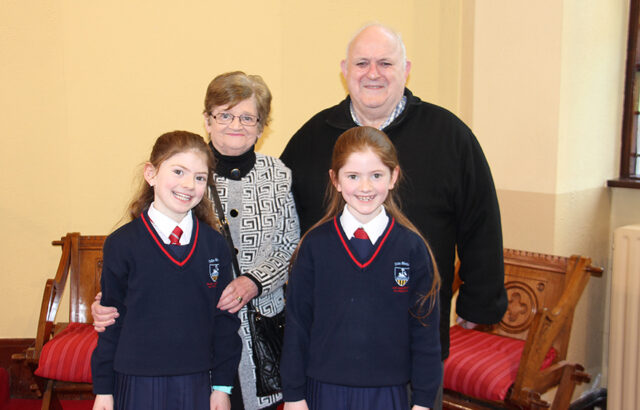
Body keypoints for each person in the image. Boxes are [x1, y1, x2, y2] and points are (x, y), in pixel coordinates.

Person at [279, 24, 508, 394]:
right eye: (362, 63)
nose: (373, 73)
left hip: (413, 343)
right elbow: (284, 224)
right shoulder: (310, 138)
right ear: (344, 69)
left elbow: (480, 221)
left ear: (406, 69)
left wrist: (479, 302)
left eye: (386, 62)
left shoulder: (449, 135)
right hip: (328, 346)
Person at [92, 71, 300, 410]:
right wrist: (107, 305)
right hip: (193, 345)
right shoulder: (189, 164)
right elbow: (139, 268)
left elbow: (290, 247)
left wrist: (254, 282)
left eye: (248, 117)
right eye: (226, 114)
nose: (237, 124)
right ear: (208, 119)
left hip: (258, 328)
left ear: (262, 127)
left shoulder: (277, 175)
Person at [281, 126, 442, 410]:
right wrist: (294, 395)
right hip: (324, 391)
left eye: (376, 175)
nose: (365, 188)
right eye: (353, 176)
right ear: (336, 180)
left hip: (389, 393)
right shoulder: (314, 247)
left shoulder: (412, 248)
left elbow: (425, 333)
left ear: (393, 177)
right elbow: (297, 325)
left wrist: (424, 401)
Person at [90, 131, 242, 410]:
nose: (189, 184)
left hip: (196, 380)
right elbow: (110, 321)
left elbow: (225, 321)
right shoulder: (122, 243)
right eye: (178, 171)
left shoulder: (214, 245)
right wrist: (103, 388)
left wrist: (221, 386)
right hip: (135, 380)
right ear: (151, 174)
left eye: (199, 177)